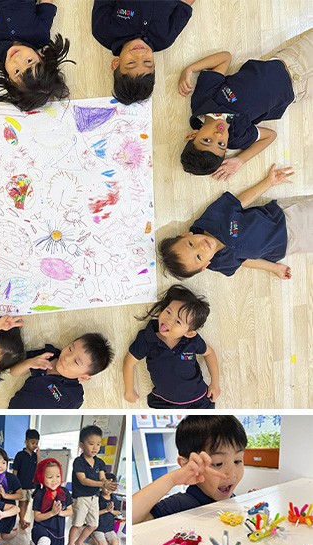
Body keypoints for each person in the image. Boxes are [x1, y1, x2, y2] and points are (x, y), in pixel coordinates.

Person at [178, 29, 312, 179]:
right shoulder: (236, 137)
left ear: (193, 134)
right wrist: (241, 160)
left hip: (291, 61)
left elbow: (225, 58)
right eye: (221, 144)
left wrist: (190, 69)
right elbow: (270, 136)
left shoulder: (203, 101)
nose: (218, 135)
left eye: (207, 140)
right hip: (300, 90)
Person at [159, 164, 307, 280]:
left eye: (191, 244)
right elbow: (244, 261)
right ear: (205, 266)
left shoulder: (212, 219)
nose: (201, 247)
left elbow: (239, 202)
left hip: (285, 218)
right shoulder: (218, 264)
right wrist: (274, 268)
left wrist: (268, 182)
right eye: (198, 257)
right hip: (286, 247)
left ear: (186, 235)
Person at [0, 0, 72, 111]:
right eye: (29, 61)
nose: (17, 60)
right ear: (41, 56)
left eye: (17, 71)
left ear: (9, 79)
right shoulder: (40, 35)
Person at [132, 415, 246, 522]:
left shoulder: (228, 496)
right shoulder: (179, 505)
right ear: (186, 464)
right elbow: (132, 518)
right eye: (217, 463)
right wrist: (172, 479)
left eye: (237, 461)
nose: (232, 474)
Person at [123, 284, 221, 408]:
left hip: (199, 400)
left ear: (189, 333)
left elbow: (209, 353)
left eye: (178, 321)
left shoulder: (191, 341)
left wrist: (215, 384)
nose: (168, 320)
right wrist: (129, 391)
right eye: (168, 312)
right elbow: (129, 362)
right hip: (165, 402)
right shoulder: (147, 338)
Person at [91, 0, 195, 104]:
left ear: (116, 63)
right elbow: (185, 5)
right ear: (154, 64)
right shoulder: (164, 39)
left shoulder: (102, 31)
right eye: (147, 62)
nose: (140, 54)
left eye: (131, 63)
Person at [7, 334, 114, 409]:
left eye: (76, 361)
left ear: (83, 377)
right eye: (70, 349)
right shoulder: (47, 355)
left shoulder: (74, 396)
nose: (67, 358)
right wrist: (29, 363)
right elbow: (13, 372)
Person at [68, 425, 117, 545]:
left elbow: (102, 477)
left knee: (93, 525)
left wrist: (107, 483)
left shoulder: (100, 462)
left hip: (94, 497)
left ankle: (80, 542)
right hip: (81, 498)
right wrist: (102, 484)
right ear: (81, 445)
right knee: (77, 524)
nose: (95, 447)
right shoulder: (78, 462)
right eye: (91, 444)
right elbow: (83, 480)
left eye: (98, 444)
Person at [28, 457, 72, 545]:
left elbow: (70, 510)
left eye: (57, 476)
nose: (55, 480)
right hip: (41, 527)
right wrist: (52, 513)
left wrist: (60, 513)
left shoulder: (64, 492)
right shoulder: (39, 494)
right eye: (50, 477)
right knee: (44, 542)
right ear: (42, 477)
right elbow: (38, 517)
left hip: (57, 530)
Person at [0, 446, 23, 540]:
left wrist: (5, 495)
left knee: (4, 536)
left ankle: (15, 531)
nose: (0, 466)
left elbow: (20, 495)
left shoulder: (12, 477)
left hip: (8, 512)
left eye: (3, 462)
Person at [12, 429, 40, 531]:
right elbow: (15, 470)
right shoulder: (20, 455)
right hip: (21, 485)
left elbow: (38, 467)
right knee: (22, 503)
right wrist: (15, 484)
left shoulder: (34, 456)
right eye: (33, 443)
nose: (35, 445)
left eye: (37, 443)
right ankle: (22, 519)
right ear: (26, 442)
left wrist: (38, 455)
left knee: (27, 502)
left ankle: (22, 519)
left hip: (31, 485)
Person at [92, 474, 122, 545]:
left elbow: (118, 512)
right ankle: (92, 534)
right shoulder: (97, 497)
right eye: (107, 487)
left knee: (115, 544)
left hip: (109, 528)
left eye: (111, 488)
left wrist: (111, 511)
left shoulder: (114, 498)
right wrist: (106, 510)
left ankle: (105, 538)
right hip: (97, 528)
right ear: (102, 485)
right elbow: (93, 513)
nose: (108, 490)